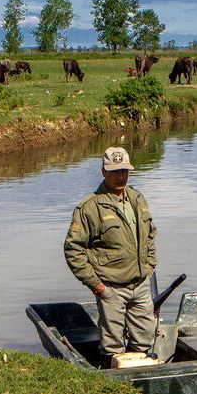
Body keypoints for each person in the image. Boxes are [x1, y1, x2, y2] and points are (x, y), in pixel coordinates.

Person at [64, 146, 158, 364]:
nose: (120, 176)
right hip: (111, 287)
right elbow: (73, 249)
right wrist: (97, 285)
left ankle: (141, 379)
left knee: (145, 338)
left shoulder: (137, 199)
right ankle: (111, 380)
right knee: (112, 346)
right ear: (103, 172)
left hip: (141, 284)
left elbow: (150, 235)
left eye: (124, 171)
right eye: (115, 171)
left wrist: (150, 266)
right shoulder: (89, 208)